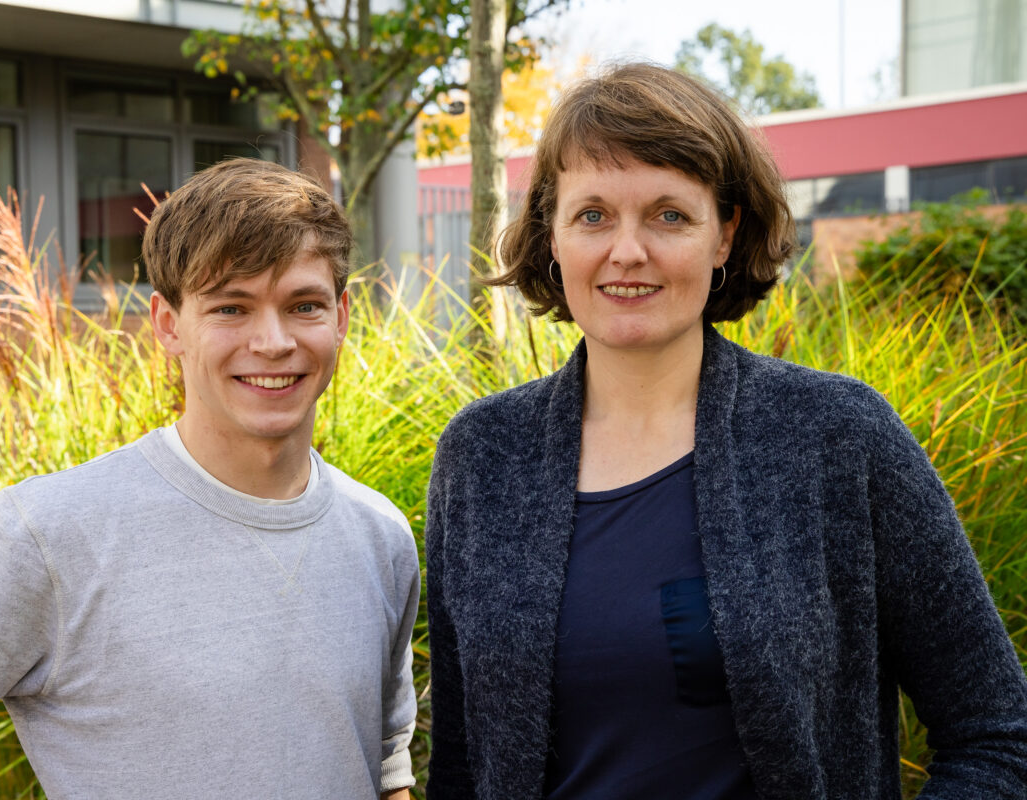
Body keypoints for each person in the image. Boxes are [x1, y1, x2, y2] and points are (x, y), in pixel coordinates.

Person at [424, 62, 1027, 799]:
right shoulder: (483, 456)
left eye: (669, 214)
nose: (627, 251)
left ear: (724, 233)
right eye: (593, 215)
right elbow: (461, 767)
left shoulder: (836, 436)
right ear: (551, 233)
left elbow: (998, 733)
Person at [0, 159, 419, 800]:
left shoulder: (380, 533)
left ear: (341, 316)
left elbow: (382, 761)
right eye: (231, 307)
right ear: (169, 324)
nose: (273, 342)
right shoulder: (54, 532)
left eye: (304, 305)